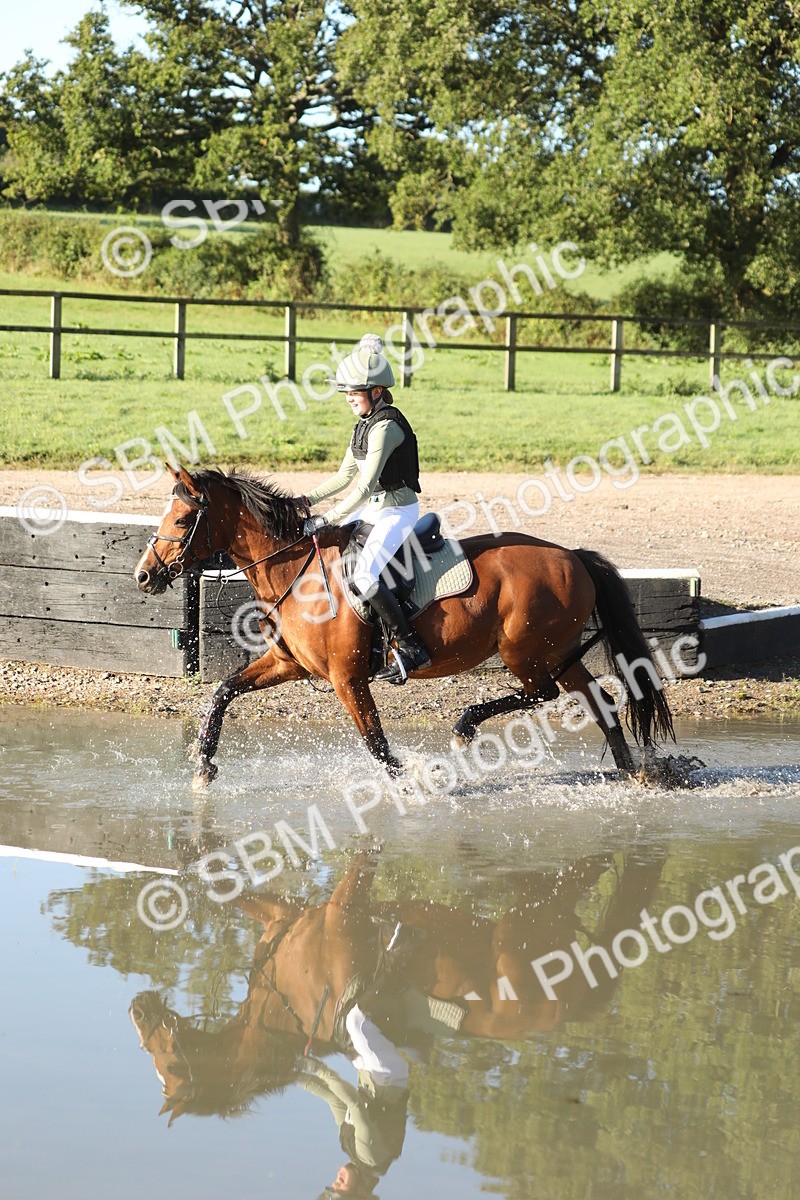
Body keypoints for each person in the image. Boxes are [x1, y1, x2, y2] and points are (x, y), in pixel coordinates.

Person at [302, 333, 431, 685]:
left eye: (353, 392)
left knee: (363, 577)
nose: (347, 398)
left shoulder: (386, 426)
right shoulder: (364, 425)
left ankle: (412, 646)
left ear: (375, 391)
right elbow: (344, 475)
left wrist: (326, 519)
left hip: (396, 513)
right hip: (373, 512)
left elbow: (362, 487)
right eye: (345, 392)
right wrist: (303, 501)